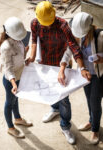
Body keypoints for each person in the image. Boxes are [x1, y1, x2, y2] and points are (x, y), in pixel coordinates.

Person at [26, 1, 91, 144]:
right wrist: (32, 56)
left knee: (64, 97)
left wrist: (82, 68)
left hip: (61, 64)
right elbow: (34, 41)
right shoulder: (35, 23)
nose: (46, 25)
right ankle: (54, 109)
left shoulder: (63, 25)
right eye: (44, 22)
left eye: (48, 22)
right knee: (50, 90)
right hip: (45, 63)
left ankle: (65, 126)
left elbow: (73, 47)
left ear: (54, 16)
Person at [59, 12, 103, 144]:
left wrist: (100, 58)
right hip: (83, 74)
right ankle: (91, 121)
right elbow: (68, 52)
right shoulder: (76, 35)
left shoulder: (100, 36)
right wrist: (62, 69)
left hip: (98, 75)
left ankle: (95, 130)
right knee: (89, 100)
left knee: (95, 104)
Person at [0, 17, 32, 138]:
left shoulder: (19, 39)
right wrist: (14, 83)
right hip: (10, 80)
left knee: (15, 99)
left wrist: (25, 54)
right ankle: (10, 128)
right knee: (9, 102)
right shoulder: (6, 47)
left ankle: (17, 118)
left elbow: (18, 56)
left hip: (19, 75)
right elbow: (8, 68)